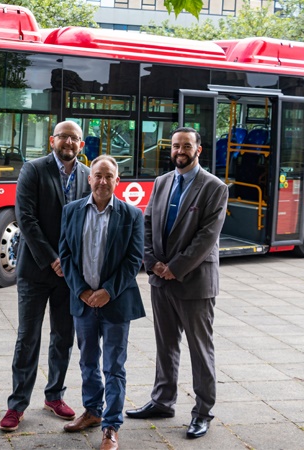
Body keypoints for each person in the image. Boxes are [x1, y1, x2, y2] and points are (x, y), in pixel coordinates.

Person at [125, 127, 228, 439]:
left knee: (200, 349)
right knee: (165, 345)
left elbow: (207, 237)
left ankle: (203, 412)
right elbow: (146, 222)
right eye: (175, 146)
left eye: (186, 146)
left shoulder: (214, 187)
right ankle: (162, 400)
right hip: (161, 280)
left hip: (194, 282)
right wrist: (152, 261)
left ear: (198, 150)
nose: (180, 151)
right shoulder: (162, 182)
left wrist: (176, 267)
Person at [0, 121, 92, 432]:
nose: (68, 142)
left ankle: (54, 395)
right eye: (63, 136)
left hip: (70, 275)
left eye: (74, 138)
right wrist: (53, 259)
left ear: (81, 144)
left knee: (64, 338)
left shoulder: (85, 175)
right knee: (28, 337)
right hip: (36, 270)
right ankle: (17, 404)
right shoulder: (33, 169)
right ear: (53, 140)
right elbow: (25, 217)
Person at [58, 155, 144, 450]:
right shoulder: (70, 211)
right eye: (98, 175)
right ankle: (93, 411)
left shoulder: (132, 215)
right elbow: (65, 255)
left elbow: (134, 260)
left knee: (114, 366)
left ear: (117, 181)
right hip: (82, 302)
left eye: (109, 176)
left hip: (116, 303)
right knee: (87, 361)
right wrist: (81, 290)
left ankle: (110, 426)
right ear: (89, 179)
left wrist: (107, 290)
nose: (103, 181)